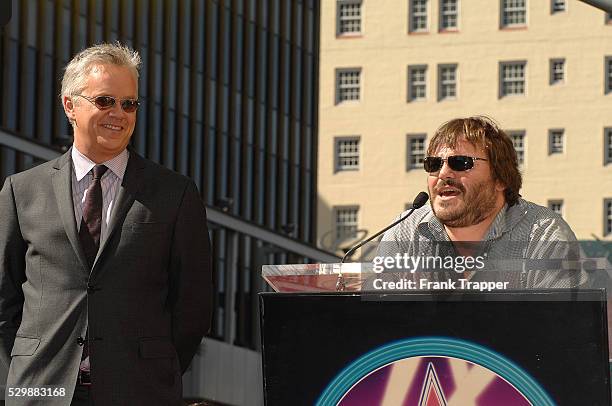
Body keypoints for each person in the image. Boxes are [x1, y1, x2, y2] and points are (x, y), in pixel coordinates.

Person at [0, 43, 212, 405]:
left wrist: (155, 366)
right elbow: (4, 300)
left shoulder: (175, 193)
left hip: (140, 389)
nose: (119, 113)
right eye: (105, 101)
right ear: (70, 105)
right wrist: (30, 363)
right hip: (41, 389)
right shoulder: (22, 191)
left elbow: (193, 304)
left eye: (129, 103)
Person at [376, 116, 587, 288]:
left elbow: (563, 331)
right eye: (433, 164)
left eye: (460, 163)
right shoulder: (405, 230)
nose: (443, 174)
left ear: (501, 178)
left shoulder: (544, 235)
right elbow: (380, 321)